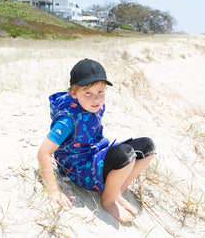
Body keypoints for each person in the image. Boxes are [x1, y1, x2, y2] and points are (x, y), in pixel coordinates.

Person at [37, 58, 156, 223]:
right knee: (126, 156)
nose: (96, 99)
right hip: (78, 168)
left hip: (95, 156)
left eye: (100, 92)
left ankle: (117, 191)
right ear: (73, 93)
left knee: (147, 147)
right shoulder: (67, 119)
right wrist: (53, 190)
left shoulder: (96, 105)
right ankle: (108, 201)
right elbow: (43, 152)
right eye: (88, 93)